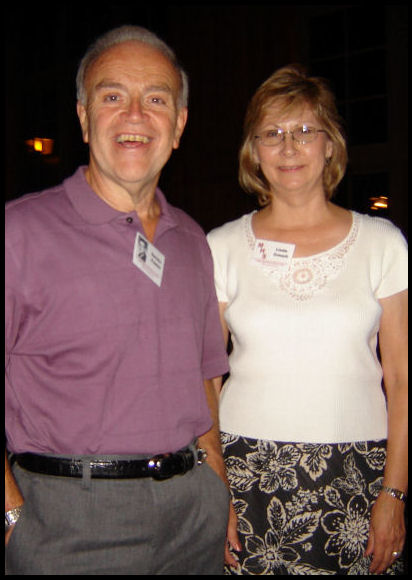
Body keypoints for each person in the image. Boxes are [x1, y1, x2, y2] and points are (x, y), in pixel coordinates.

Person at [5, 25, 234, 575]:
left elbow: (205, 378)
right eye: (112, 97)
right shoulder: (19, 233)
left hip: (193, 515)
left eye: (156, 99)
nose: (135, 115)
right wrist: (12, 518)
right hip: (66, 524)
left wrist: (218, 488)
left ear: (179, 124)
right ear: (84, 118)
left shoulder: (192, 241)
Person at [207, 64, 407, 575]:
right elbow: (204, 378)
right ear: (253, 151)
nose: (289, 147)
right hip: (246, 471)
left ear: (330, 144)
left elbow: (402, 379)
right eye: (271, 133)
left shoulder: (383, 243)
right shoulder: (220, 247)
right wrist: (216, 488)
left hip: (359, 468)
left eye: (303, 130)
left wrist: (395, 492)